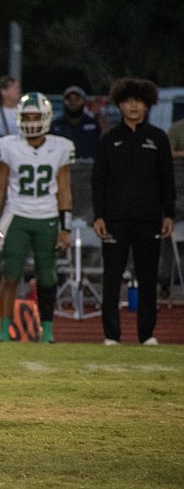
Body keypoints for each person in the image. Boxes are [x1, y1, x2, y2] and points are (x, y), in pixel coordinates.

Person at [92, 78, 175, 346]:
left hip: (149, 219)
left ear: (147, 105)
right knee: (112, 278)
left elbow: (167, 180)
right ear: (120, 105)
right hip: (115, 219)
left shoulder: (158, 138)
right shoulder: (109, 139)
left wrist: (169, 214)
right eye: (128, 101)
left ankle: (147, 334)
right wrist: (98, 216)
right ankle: (111, 336)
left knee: (148, 278)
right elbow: (98, 180)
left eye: (138, 101)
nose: (133, 106)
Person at [0, 92, 74, 344]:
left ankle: (47, 331)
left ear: (46, 118)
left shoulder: (61, 147)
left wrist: (66, 228)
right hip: (16, 216)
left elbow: (64, 189)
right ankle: (4, 331)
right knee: (10, 274)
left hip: (48, 217)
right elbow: (0, 186)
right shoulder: (8, 145)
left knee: (47, 277)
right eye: (26, 117)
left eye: (36, 116)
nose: (31, 122)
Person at [50, 86, 107, 160]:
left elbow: (108, 137)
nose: (73, 102)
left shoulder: (93, 123)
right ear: (64, 102)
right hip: (62, 164)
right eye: (69, 99)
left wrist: (99, 115)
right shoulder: (55, 125)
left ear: (84, 101)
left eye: (77, 99)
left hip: (89, 165)